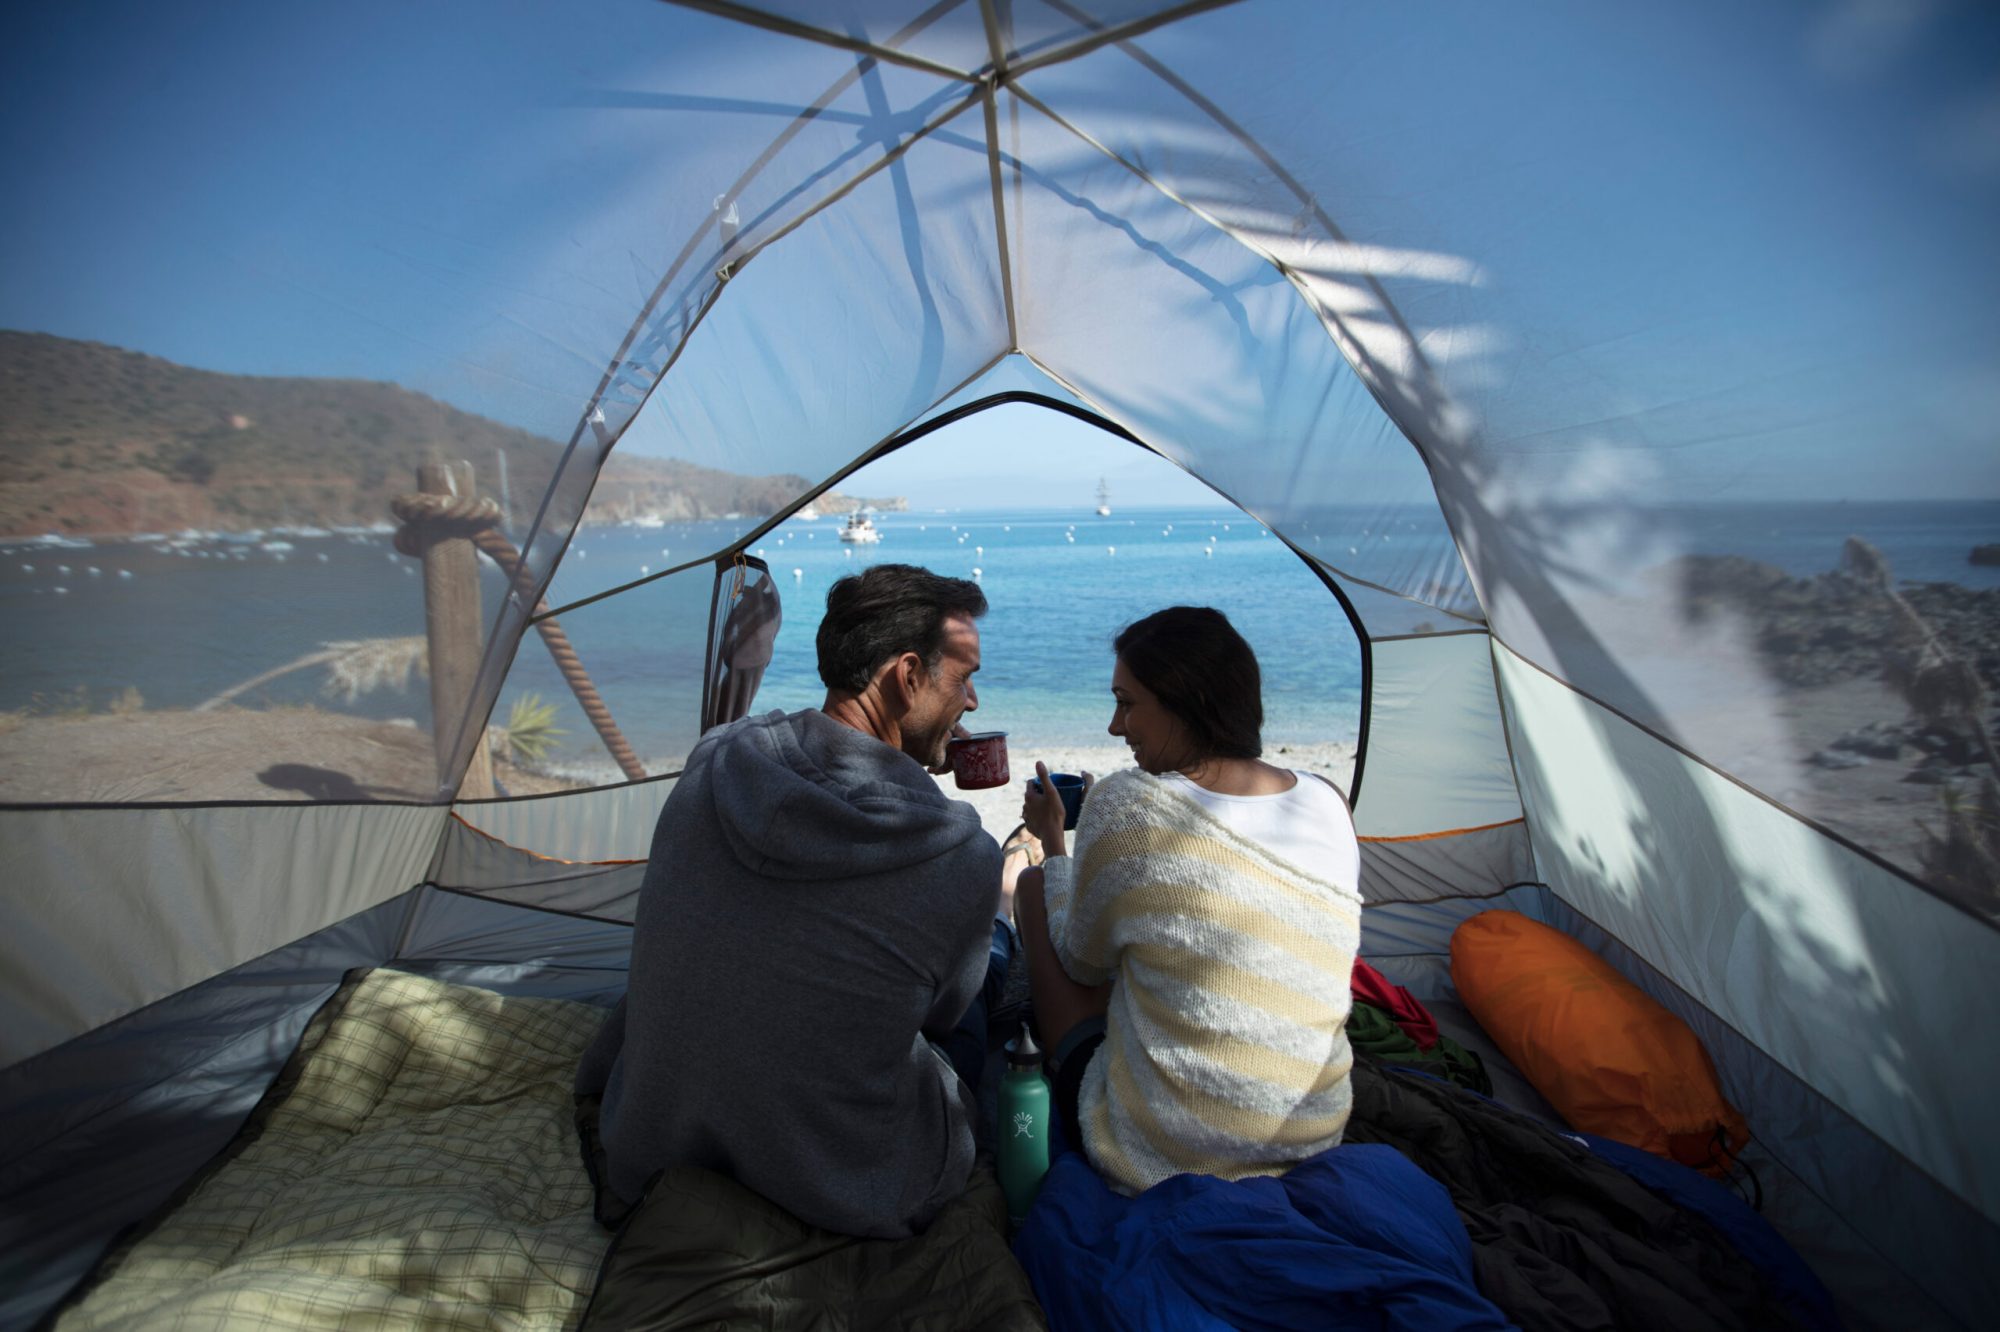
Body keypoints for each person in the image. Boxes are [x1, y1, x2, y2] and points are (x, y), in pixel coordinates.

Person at [574, 563, 1014, 1238]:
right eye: (964, 676)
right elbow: (939, 1018)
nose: (974, 702)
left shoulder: (719, 759)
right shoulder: (956, 855)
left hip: (650, 1140)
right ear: (907, 676)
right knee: (985, 1001)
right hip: (843, 1185)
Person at [1012, 606, 1362, 1195]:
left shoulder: (1128, 806)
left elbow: (1080, 961)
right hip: (1314, 1133)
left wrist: (1055, 846)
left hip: (1165, 1149)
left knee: (1030, 888)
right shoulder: (1327, 800)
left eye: (1126, 703)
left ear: (1185, 702)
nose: (1114, 728)